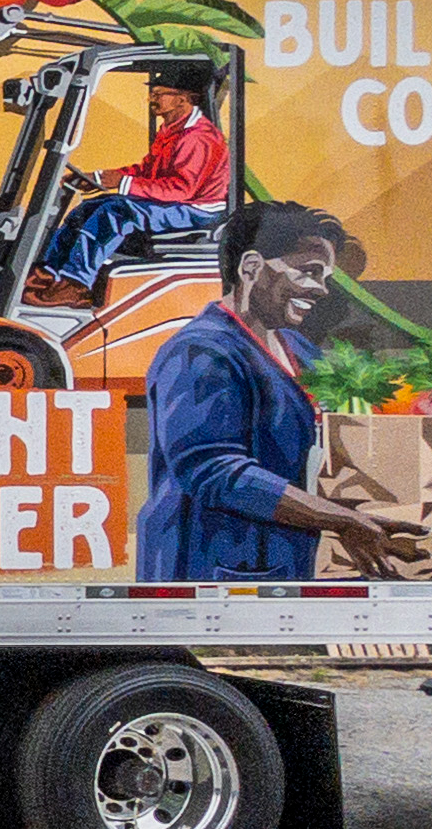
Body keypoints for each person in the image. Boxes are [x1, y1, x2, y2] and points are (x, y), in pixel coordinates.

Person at [132, 199, 404, 582]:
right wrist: (339, 519)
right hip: (208, 574)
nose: (322, 290)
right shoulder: (200, 351)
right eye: (309, 272)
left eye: (325, 277)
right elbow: (212, 470)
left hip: (280, 566)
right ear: (252, 267)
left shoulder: (300, 350)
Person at [30, 63, 231, 301]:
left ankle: (77, 283)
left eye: (159, 94)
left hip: (196, 211)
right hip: (178, 202)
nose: (151, 99)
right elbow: (146, 170)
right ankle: (50, 270)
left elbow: (181, 189)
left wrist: (123, 182)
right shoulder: (171, 129)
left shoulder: (198, 137)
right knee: (88, 208)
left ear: (183, 99)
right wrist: (100, 178)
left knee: (115, 213)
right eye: (152, 93)